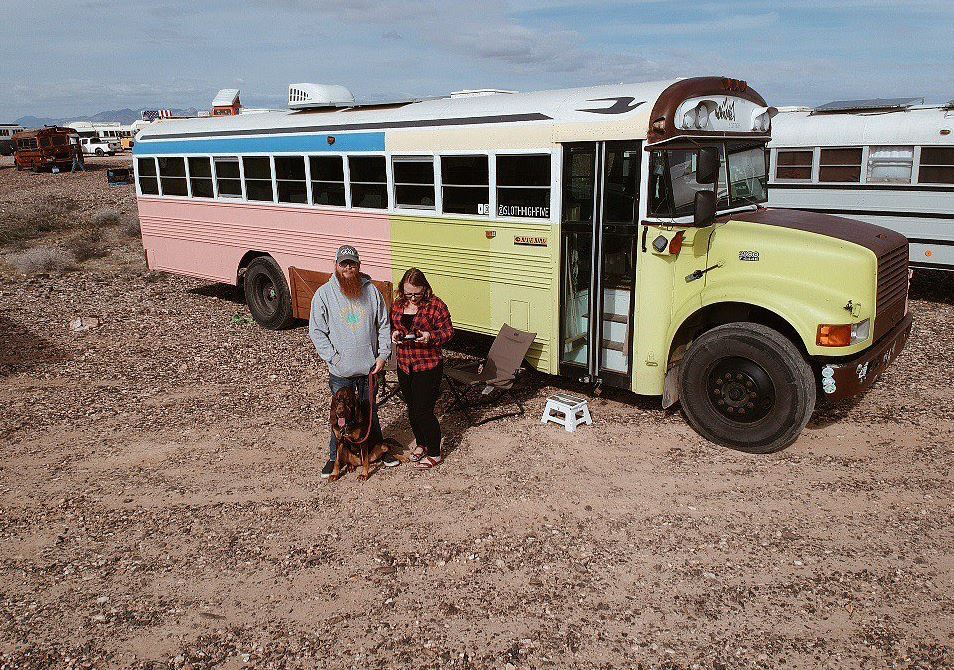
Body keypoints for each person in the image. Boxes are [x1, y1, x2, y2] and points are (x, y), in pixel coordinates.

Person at [309, 245, 398, 477]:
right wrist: (333, 357)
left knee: (370, 411)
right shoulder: (324, 294)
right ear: (336, 266)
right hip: (341, 371)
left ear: (359, 265)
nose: (348, 267)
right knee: (340, 416)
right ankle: (333, 457)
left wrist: (382, 355)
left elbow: (383, 325)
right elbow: (317, 331)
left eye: (352, 263)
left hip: (369, 367)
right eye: (343, 263)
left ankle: (377, 450)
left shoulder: (372, 292)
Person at [390, 268, 454, 470]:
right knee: (411, 408)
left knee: (424, 410)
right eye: (409, 293)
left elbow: (449, 332)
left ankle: (435, 452)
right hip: (405, 364)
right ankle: (421, 443)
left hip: (427, 364)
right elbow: (393, 326)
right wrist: (395, 335)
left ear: (424, 288)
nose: (413, 297)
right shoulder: (398, 305)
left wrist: (430, 337)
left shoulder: (436, 305)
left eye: (417, 293)